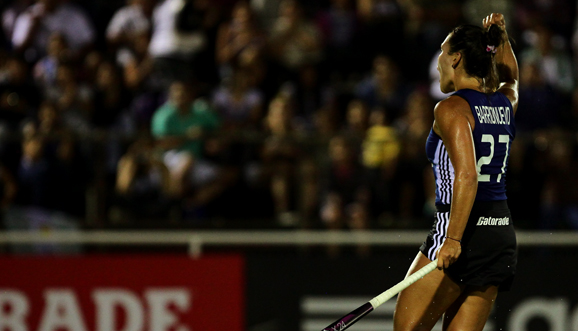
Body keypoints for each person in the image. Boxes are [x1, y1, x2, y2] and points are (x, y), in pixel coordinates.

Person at [393, 13, 519, 331]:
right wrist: (501, 39)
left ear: (457, 58)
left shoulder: (451, 108)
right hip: (498, 235)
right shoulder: (505, 103)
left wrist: (452, 239)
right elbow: (512, 79)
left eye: (442, 53)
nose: (437, 63)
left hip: (459, 230)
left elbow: (466, 175)